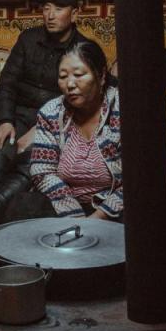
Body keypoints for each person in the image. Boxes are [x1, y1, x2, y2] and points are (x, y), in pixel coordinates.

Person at [0, 0, 91, 240]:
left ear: (75, 14)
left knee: (33, 162)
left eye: (58, 9)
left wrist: (42, 130)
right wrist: (5, 122)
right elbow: (7, 84)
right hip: (17, 115)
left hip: (55, 123)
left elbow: (81, 100)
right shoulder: (28, 39)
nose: (50, 15)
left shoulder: (84, 50)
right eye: (46, 8)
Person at [23, 38, 122, 220]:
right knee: (24, 204)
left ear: (101, 77)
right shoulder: (51, 113)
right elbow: (42, 171)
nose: (69, 84)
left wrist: (98, 219)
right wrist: (76, 219)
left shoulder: (121, 111)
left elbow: (136, 180)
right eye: (63, 77)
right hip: (64, 206)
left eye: (78, 75)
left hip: (110, 209)